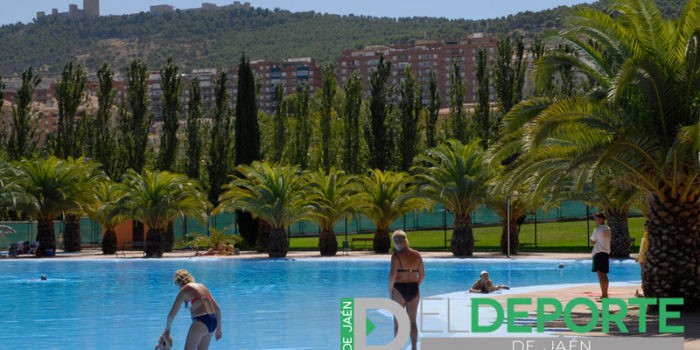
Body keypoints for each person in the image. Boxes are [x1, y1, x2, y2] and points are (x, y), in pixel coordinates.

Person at [163, 269, 222, 350]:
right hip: (213, 322)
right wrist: (219, 329)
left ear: (178, 282)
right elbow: (217, 308)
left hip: (201, 321)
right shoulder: (202, 286)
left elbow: (171, 314)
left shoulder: (184, 290)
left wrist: (167, 330)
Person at [388, 230, 424, 350]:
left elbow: (392, 275)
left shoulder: (396, 256)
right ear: (405, 240)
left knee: (398, 322)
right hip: (414, 288)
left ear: (396, 242)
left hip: (399, 288)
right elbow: (422, 275)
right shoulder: (417, 255)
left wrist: (391, 290)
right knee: (412, 321)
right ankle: (414, 347)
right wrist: (416, 284)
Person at [590, 212, 611, 300]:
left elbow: (592, 241)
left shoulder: (597, 229)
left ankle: (604, 295)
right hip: (606, 252)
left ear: (601, 219)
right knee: (604, 275)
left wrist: (594, 241)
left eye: (597, 219)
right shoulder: (608, 228)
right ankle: (605, 294)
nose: (595, 221)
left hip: (598, 253)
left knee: (600, 275)